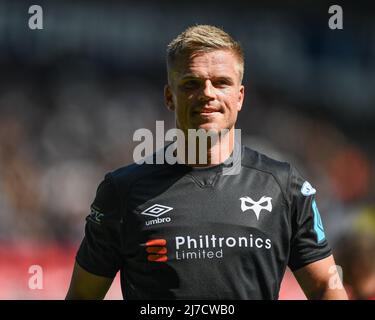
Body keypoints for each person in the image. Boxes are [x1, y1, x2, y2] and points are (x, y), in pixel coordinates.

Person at [66, 25, 348, 300]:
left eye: (222, 82)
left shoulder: (284, 186)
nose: (208, 93)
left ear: (240, 97)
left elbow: (325, 285)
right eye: (192, 83)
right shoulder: (122, 190)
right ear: (169, 97)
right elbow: (82, 295)